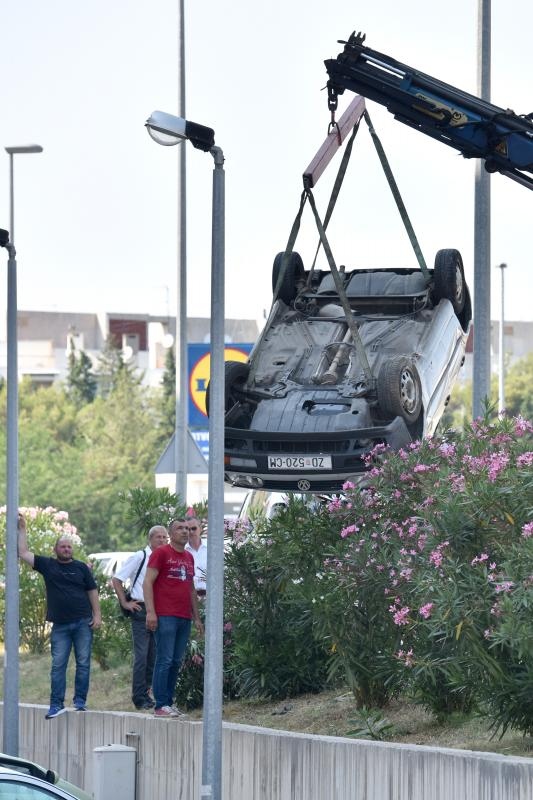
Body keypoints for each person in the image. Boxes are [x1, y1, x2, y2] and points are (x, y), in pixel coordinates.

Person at [17, 513, 102, 719]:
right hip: (60, 626)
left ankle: (80, 701)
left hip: (83, 622)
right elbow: (23, 552)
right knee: (58, 665)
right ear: (55, 550)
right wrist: (22, 529)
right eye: (63, 546)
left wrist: (97, 616)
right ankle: (56, 704)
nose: (66, 549)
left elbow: (92, 591)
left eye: (69, 547)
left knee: (83, 663)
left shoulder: (81, 568)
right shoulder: (48, 565)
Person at [143, 518, 204, 718]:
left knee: (176, 661)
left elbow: (190, 588)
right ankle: (160, 704)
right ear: (171, 533)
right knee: (165, 659)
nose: (185, 532)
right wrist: (151, 612)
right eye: (180, 528)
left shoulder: (188, 557)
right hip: (165, 615)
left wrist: (196, 617)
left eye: (187, 528)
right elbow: (147, 583)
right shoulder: (161, 553)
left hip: (183, 616)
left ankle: (169, 702)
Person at [111, 525, 168, 710]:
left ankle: (149, 694)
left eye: (164, 537)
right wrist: (125, 603)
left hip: (159, 609)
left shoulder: (166, 557)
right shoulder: (140, 556)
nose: (162, 540)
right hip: (141, 608)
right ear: (150, 539)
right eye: (158, 537)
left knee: (154, 656)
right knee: (142, 656)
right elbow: (117, 579)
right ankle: (139, 697)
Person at [185, 516, 207, 597]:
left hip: (210, 596)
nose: (191, 532)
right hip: (189, 597)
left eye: (194, 528)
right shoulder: (181, 551)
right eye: (187, 529)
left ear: (200, 529)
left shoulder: (212, 548)